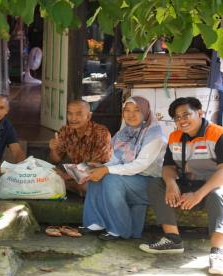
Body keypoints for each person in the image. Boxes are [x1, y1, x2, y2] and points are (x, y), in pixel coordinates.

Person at [139, 97, 223, 275]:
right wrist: (170, 184)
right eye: (177, 118)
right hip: (187, 183)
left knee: (218, 194)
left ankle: (218, 252)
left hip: (213, 185)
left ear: (200, 113)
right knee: (156, 184)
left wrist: (198, 195)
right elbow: (168, 167)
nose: (181, 121)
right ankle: (172, 239)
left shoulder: (218, 134)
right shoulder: (174, 136)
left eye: (186, 114)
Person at [82, 96, 166, 240]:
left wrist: (106, 170)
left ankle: (120, 230)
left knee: (110, 180)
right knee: (96, 176)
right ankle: (95, 222)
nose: (130, 114)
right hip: (130, 178)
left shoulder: (155, 135)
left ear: (145, 112)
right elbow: (115, 160)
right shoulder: (124, 132)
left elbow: (140, 165)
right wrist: (101, 167)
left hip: (151, 183)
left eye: (137, 110)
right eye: (127, 110)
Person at [49, 100, 112, 195]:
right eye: (70, 114)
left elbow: (96, 164)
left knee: (86, 187)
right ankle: (66, 185)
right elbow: (55, 160)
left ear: (89, 116)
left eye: (78, 114)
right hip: (77, 174)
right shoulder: (65, 130)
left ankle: (64, 185)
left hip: (100, 173)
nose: (73, 118)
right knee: (49, 172)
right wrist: (53, 149)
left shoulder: (101, 133)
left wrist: (66, 176)